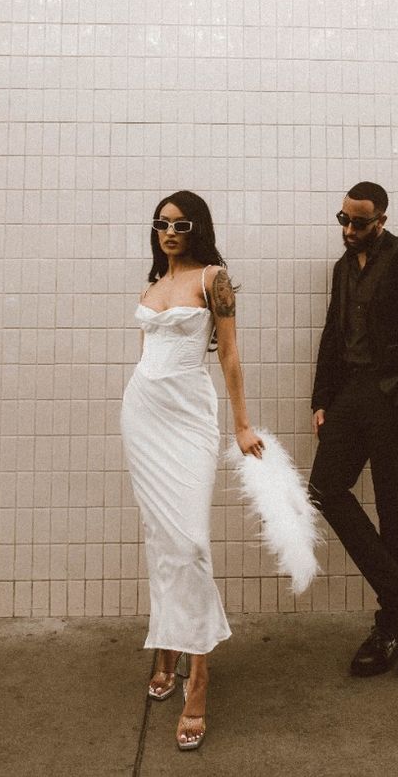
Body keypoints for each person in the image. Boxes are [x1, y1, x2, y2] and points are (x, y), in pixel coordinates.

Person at [121, 190, 263, 751]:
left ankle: (198, 676)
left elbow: (228, 354)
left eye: (181, 224)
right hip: (143, 415)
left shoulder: (214, 279)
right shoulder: (151, 286)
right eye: (162, 224)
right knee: (161, 539)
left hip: (189, 419)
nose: (170, 231)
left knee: (191, 543)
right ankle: (168, 644)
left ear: (198, 228)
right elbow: (144, 358)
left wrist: (242, 425)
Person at [309, 182, 398, 677]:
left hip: (393, 398)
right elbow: (333, 332)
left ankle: (391, 625)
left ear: (381, 221)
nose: (349, 230)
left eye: (359, 223)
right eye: (343, 220)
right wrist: (322, 398)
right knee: (324, 489)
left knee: (392, 499)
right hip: (349, 395)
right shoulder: (343, 267)